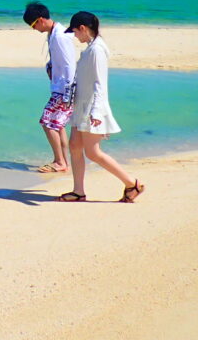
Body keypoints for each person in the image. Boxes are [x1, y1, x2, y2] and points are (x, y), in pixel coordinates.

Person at [57, 11, 145, 203]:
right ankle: (78, 191)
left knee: (92, 152)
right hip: (81, 105)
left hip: (91, 108)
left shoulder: (97, 50)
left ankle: (132, 183)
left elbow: (100, 84)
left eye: (75, 32)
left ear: (83, 28)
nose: (74, 36)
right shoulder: (91, 48)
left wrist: (96, 113)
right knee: (74, 146)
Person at [22, 1, 77, 173]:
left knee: (47, 122)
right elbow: (57, 60)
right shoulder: (53, 33)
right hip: (59, 87)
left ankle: (59, 162)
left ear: (40, 20)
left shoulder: (60, 36)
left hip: (65, 89)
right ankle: (63, 161)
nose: (34, 29)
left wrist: (68, 94)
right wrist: (49, 67)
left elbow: (69, 65)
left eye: (33, 25)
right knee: (57, 124)